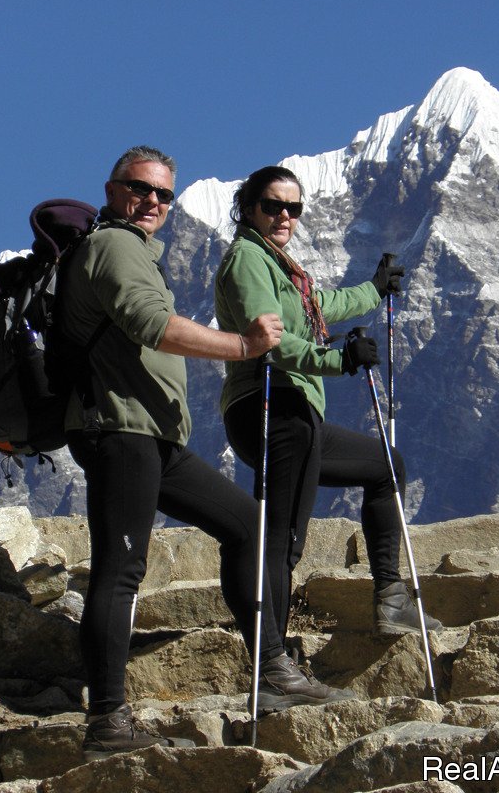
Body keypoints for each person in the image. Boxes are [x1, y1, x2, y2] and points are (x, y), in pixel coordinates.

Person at [59, 147, 353, 761]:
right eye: (140, 190)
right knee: (120, 571)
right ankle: (107, 722)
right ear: (113, 190)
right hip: (118, 432)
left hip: (153, 438)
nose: (154, 204)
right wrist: (243, 346)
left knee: (248, 526)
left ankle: (271, 668)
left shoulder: (138, 252)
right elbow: (151, 324)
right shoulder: (113, 246)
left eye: (165, 195)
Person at [213, 165, 443, 659]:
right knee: (283, 534)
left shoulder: (278, 266)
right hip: (270, 406)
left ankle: (391, 598)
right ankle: (271, 659)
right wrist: (336, 360)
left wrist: (374, 290)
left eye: (293, 208)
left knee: (386, 466)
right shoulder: (249, 260)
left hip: (296, 413)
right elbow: (269, 341)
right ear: (249, 207)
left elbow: (318, 305)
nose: (284, 217)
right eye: (274, 206)